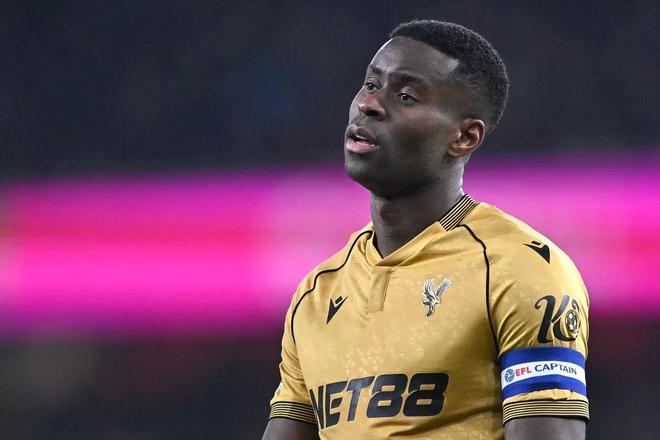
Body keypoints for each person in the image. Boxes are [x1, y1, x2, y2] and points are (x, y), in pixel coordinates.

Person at [262, 20, 589, 440]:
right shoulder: (317, 292)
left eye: (406, 96)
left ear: (464, 137)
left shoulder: (517, 270)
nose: (369, 104)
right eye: (370, 84)